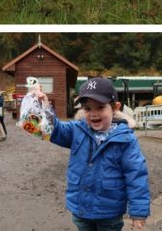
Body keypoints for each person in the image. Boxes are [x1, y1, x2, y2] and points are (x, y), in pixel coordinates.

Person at [35, 77, 150, 230]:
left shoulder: (126, 139)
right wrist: (45, 108)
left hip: (110, 213)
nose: (93, 113)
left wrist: (138, 212)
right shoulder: (76, 130)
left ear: (115, 107)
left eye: (100, 107)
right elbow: (55, 130)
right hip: (81, 209)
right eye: (87, 108)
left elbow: (136, 175)